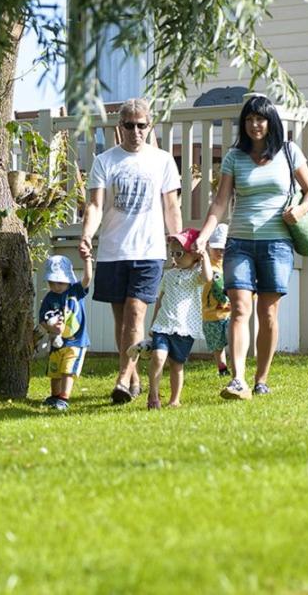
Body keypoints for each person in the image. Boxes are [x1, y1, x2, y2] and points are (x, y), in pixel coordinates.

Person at [194, 95, 308, 400]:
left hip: (277, 243)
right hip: (239, 244)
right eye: (249, 120)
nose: (254, 125)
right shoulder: (235, 157)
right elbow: (220, 202)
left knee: (268, 313)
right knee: (238, 309)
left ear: (270, 121)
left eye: (260, 119)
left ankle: (261, 378)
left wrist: (300, 211)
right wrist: (203, 235)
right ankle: (238, 380)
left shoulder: (289, 152)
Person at [78, 98, 183, 405]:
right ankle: (133, 377)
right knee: (122, 320)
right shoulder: (105, 161)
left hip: (149, 251)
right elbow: (96, 205)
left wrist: (176, 241)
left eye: (141, 125)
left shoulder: (162, 160)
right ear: (119, 128)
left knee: (137, 313)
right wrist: (87, 235)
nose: (135, 131)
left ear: (149, 127)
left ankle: (122, 378)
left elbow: (171, 205)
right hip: (113, 250)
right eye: (129, 125)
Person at [128, 228, 212, 409]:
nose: (174, 258)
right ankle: (153, 395)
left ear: (194, 255)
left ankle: (175, 399)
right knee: (158, 357)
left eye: (179, 253)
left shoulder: (196, 275)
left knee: (177, 365)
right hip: (163, 326)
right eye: (172, 253)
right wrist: (153, 324)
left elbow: (208, 277)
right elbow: (161, 299)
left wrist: (204, 256)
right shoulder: (169, 274)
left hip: (184, 328)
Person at [39, 254, 93, 411]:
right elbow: (42, 319)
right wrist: (51, 328)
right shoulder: (49, 298)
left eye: (60, 282)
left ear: (68, 279)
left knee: (68, 370)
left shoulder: (75, 290)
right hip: (56, 341)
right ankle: (54, 395)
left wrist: (87, 260)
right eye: (52, 282)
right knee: (54, 370)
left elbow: (88, 278)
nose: (56, 286)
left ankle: (64, 397)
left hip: (76, 341)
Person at [202, 223, 231, 377]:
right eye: (216, 248)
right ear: (209, 247)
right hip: (211, 315)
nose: (220, 252)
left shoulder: (230, 266)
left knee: (234, 339)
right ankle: (222, 368)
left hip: (230, 313)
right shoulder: (207, 266)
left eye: (223, 249)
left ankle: (237, 366)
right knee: (217, 346)